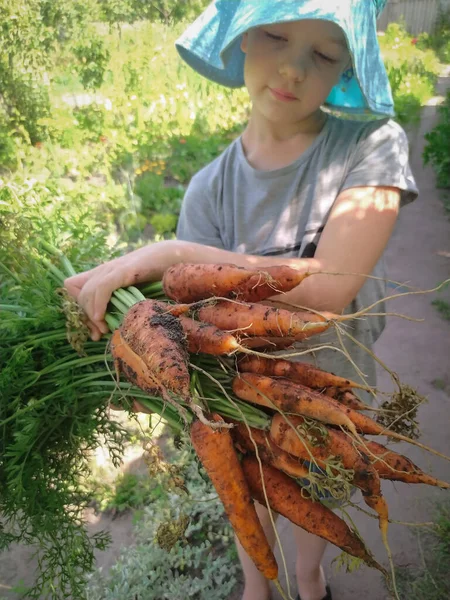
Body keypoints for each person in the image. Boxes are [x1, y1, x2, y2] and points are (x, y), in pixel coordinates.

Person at [65, 1, 419, 598]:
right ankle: (256, 584)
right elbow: (193, 314)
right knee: (244, 486)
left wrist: (176, 254)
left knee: (319, 486)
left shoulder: (372, 146)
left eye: (324, 54)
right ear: (242, 40)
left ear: (346, 69)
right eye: (276, 37)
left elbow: (332, 287)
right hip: (237, 389)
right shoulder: (209, 187)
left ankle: (310, 575)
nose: (293, 69)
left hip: (333, 381)